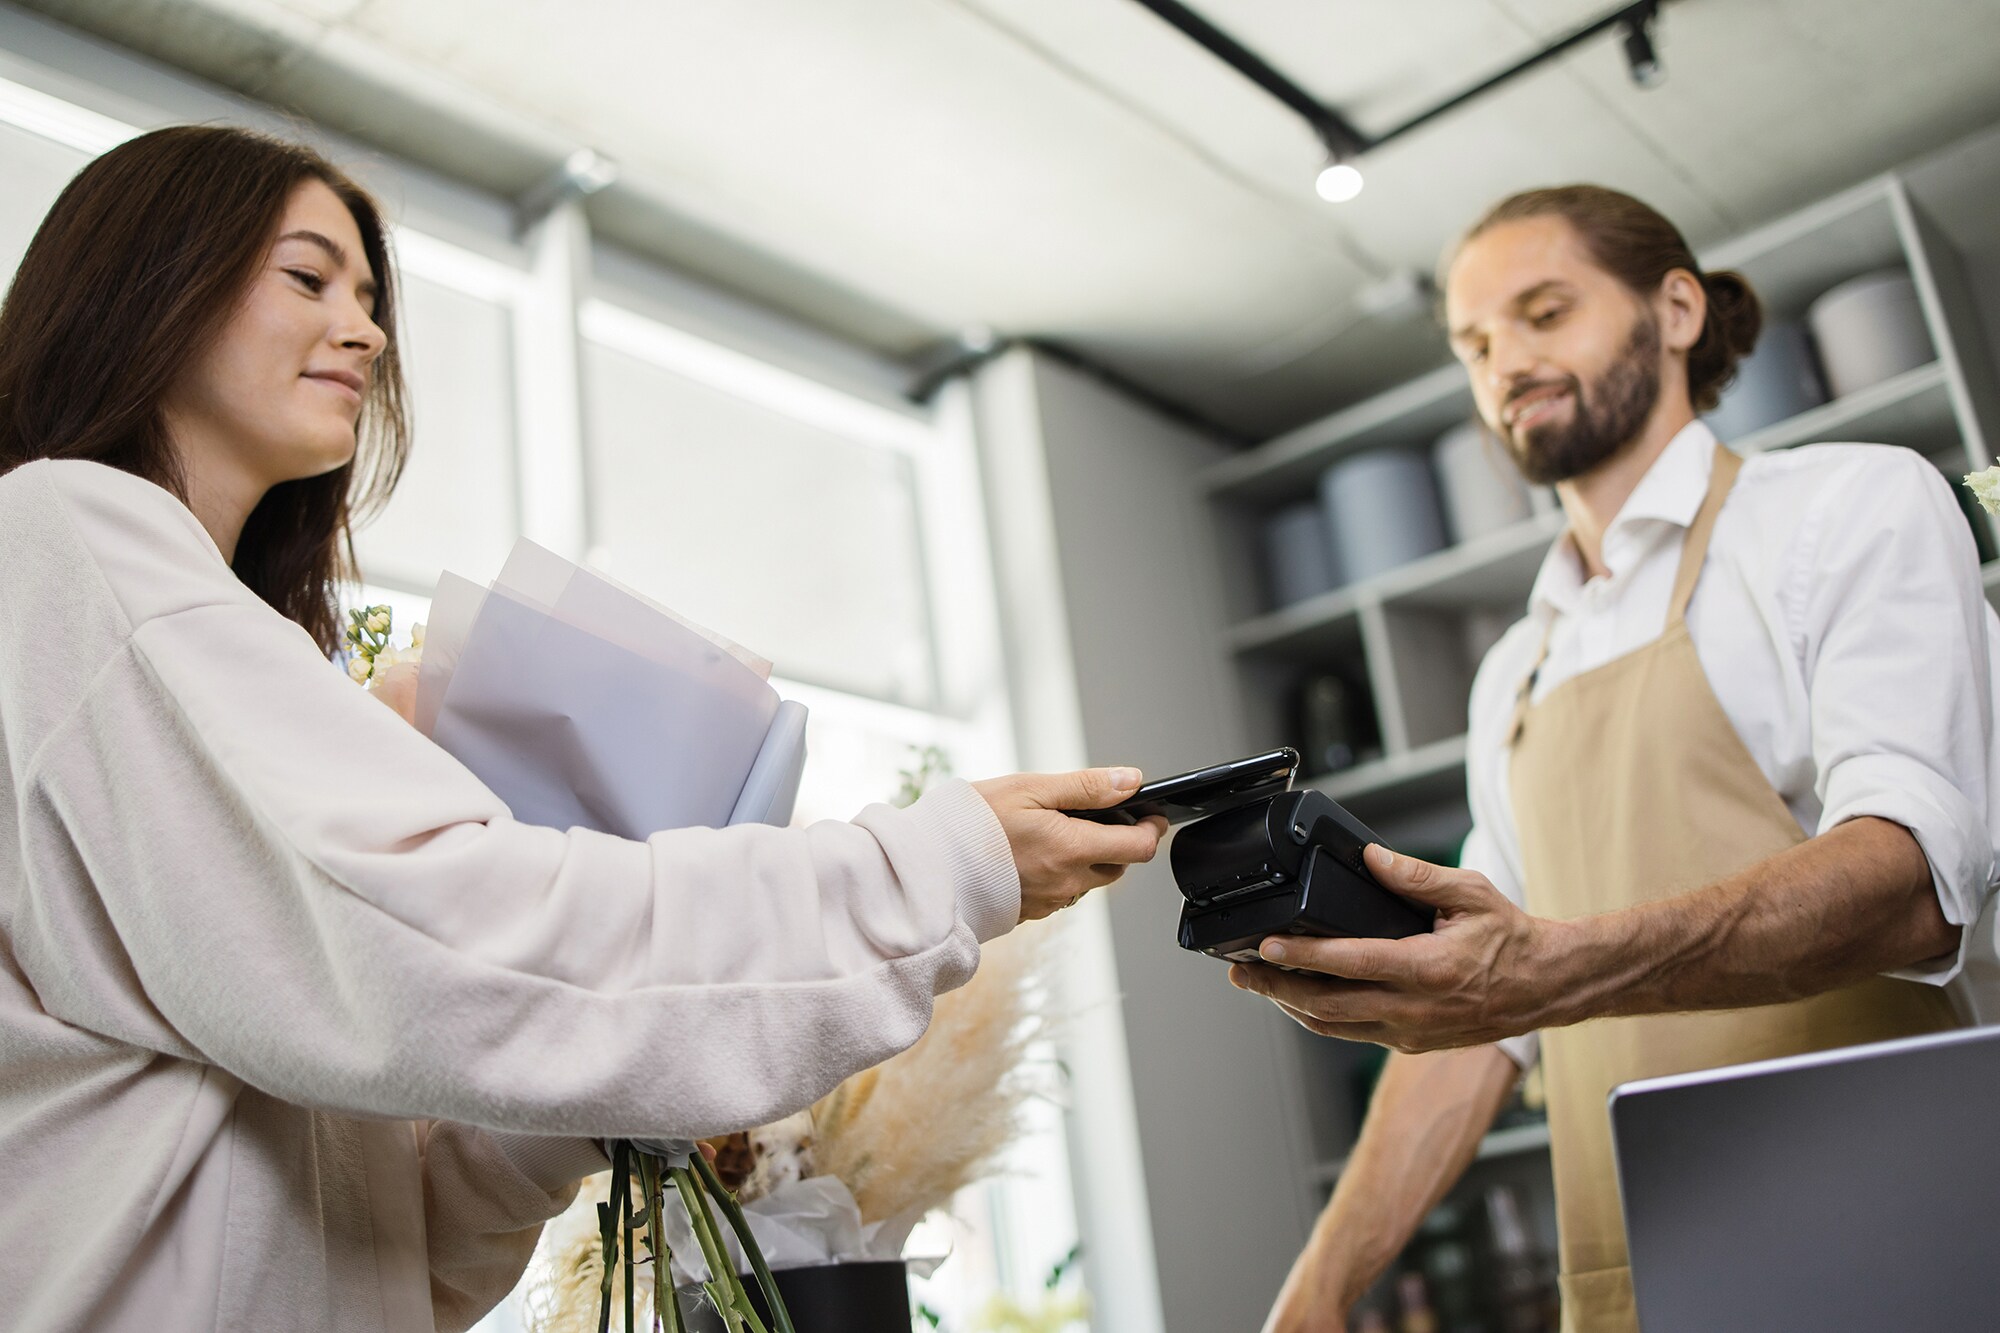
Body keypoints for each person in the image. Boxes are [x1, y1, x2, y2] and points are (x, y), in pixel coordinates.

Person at [0, 125, 1164, 1333]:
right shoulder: (64, 537)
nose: (367, 332)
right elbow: (435, 939)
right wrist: (935, 865)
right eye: (308, 278)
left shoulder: (187, 640)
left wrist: (578, 1100)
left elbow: (394, 1250)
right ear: (149, 284)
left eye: (369, 299)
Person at [1246, 185, 1999, 1333]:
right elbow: (1484, 1024)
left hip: (1890, 1247)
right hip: (1634, 1284)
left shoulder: (1850, 507)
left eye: (1544, 313)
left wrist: (1549, 971)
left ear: (1676, 310)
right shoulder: (1512, 671)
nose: (1506, 362)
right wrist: (1314, 1294)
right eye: (1474, 344)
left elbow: (1911, 885)